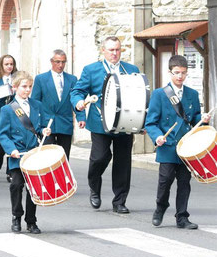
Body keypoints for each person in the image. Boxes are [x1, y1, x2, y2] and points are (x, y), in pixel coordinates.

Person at [71, 36, 139, 213]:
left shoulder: (131, 70)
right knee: (99, 158)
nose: (114, 53)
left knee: (123, 163)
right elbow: (77, 91)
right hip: (100, 123)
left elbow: (140, 96)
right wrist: (78, 102)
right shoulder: (91, 70)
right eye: (111, 50)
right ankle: (94, 187)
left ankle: (120, 201)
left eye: (117, 49)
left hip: (125, 122)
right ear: (103, 51)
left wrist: (142, 122)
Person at [145, 55, 212, 229]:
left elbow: (195, 118)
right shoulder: (160, 94)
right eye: (176, 73)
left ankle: (182, 217)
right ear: (170, 72)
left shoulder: (192, 94)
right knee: (165, 180)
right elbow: (150, 122)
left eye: (183, 73)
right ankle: (160, 207)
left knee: (184, 182)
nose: (180, 77)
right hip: (168, 146)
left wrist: (204, 119)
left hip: (186, 147)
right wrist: (157, 136)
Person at [0, 71, 51, 234]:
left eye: (29, 87)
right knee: (16, 185)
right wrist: (11, 149)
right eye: (24, 87)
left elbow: (40, 126)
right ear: (14, 88)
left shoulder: (37, 105)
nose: (27, 90)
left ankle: (31, 221)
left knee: (33, 188)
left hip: (33, 152)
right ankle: (16, 216)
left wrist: (45, 130)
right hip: (17, 153)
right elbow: (3, 133)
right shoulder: (8, 109)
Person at [32, 49, 86, 159]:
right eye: (57, 62)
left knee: (64, 156)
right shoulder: (41, 79)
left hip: (65, 122)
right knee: (48, 156)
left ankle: (63, 176)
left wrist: (81, 117)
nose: (60, 65)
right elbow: (35, 102)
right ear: (51, 61)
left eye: (63, 62)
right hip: (47, 123)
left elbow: (76, 99)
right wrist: (35, 122)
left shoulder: (72, 79)